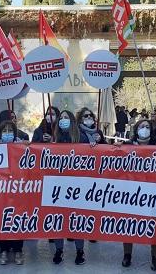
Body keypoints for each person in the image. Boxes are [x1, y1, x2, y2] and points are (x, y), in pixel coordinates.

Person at [115, 118, 156, 270]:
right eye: (142, 126)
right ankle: (127, 255)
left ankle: (155, 257)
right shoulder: (128, 145)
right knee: (129, 223)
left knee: (153, 223)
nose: (145, 129)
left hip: (153, 190)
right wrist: (116, 148)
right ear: (136, 130)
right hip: (131, 190)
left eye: (147, 126)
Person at [0, 119, 26, 265]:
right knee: (2, 219)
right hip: (1, 189)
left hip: (18, 188)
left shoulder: (21, 145)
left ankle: (18, 250)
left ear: (15, 133)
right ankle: (3, 249)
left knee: (17, 219)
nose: (7, 134)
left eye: (10, 131)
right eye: (4, 131)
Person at [51, 110, 86, 265]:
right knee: (58, 219)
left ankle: (80, 251)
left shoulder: (81, 137)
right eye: (61, 118)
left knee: (76, 219)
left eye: (66, 117)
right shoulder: (54, 138)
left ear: (72, 121)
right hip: (58, 185)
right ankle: (59, 250)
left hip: (77, 185)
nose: (63, 120)